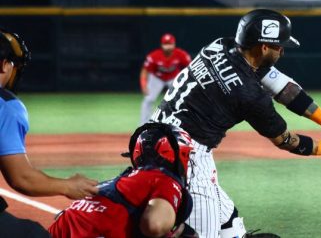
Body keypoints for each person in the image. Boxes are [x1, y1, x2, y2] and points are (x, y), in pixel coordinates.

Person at [150, 9, 321, 238]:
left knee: (230, 224)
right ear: (263, 46)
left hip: (152, 137)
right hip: (187, 157)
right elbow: (287, 141)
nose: (282, 50)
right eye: (279, 46)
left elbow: (283, 87)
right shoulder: (249, 95)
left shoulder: (220, 46)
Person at [0, 29, 99, 238]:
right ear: (3, 64)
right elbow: (22, 178)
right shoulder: (6, 105)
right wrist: (68, 185)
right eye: (14, 65)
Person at [49, 122, 197, 238]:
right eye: (186, 156)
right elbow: (155, 225)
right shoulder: (164, 179)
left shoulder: (123, 181)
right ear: (173, 155)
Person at [140, 33, 191, 124]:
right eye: (166, 44)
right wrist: (144, 85)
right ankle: (144, 125)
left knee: (180, 99)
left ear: (174, 44)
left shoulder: (181, 54)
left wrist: (187, 83)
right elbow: (145, 71)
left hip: (173, 77)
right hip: (157, 78)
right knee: (148, 99)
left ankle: (180, 124)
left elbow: (190, 68)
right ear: (161, 45)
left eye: (170, 44)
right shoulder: (153, 56)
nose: (168, 47)